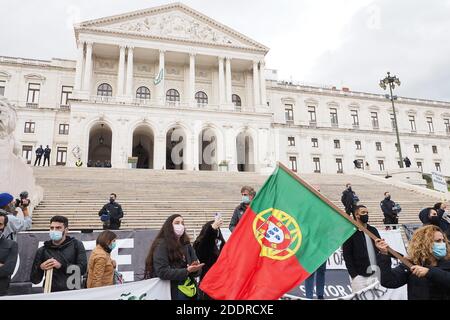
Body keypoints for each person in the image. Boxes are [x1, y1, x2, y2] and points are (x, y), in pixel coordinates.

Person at [375, 225, 450, 300]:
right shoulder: (411, 264)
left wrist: (429, 272)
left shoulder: (447, 262)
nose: (442, 244)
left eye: (443, 241)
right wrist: (383, 254)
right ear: (424, 243)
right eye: (438, 241)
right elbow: (389, 281)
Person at [144, 214, 204, 300]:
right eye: (177, 223)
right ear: (169, 226)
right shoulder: (162, 245)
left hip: (190, 290)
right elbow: (162, 271)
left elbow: (196, 270)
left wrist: (195, 269)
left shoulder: (186, 244)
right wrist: (186, 271)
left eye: (182, 223)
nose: (181, 225)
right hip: (171, 291)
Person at [30, 216, 87, 292]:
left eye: (58, 228)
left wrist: (61, 266)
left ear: (66, 230)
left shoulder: (77, 245)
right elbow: (34, 280)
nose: (54, 230)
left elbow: (82, 269)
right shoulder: (43, 250)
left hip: (73, 292)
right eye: (52, 228)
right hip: (51, 292)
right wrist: (40, 268)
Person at [342, 205, 381, 293]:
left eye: (367, 213)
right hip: (359, 276)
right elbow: (347, 255)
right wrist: (354, 275)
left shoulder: (373, 230)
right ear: (357, 215)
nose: (366, 214)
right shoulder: (350, 232)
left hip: (375, 274)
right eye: (363, 213)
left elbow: (380, 249)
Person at [193, 216, 226, 299]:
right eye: (215, 228)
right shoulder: (200, 243)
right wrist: (212, 229)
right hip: (208, 281)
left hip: (222, 281)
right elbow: (204, 247)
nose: (217, 231)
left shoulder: (222, 243)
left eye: (218, 229)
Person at [0, 212, 19, 296]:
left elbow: (8, 270)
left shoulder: (12, 245)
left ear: (4, 226)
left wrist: (4, 267)